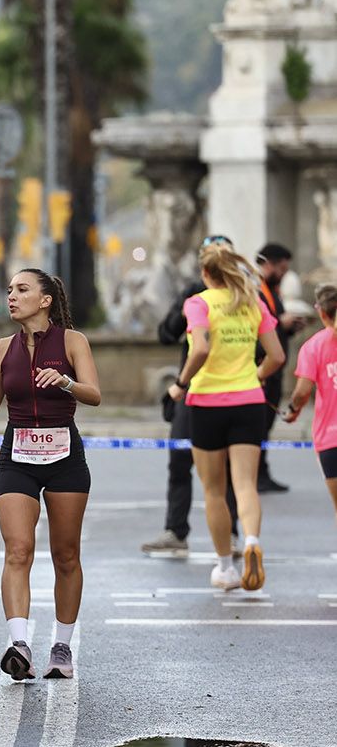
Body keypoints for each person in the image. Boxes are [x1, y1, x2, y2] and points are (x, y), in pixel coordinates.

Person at [0, 270, 101, 681]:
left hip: (64, 456)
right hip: (17, 456)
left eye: (22, 290)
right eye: (10, 290)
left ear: (45, 299)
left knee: (66, 555)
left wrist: (67, 382)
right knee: (18, 550)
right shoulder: (2, 348)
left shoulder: (72, 342)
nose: (12, 297)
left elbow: (94, 394)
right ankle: (19, 644)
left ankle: (62, 646)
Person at [168, 245, 285, 592]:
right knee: (245, 484)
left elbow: (201, 349)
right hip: (249, 401)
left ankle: (225, 568)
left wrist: (180, 383)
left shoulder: (199, 303)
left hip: (207, 402)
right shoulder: (253, 302)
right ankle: (251, 540)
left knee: (214, 490)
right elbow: (277, 356)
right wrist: (256, 376)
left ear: (205, 274)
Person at [146, 235, 241, 557]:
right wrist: (188, 306)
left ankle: (231, 534)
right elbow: (166, 333)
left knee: (227, 467)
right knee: (180, 458)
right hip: (198, 389)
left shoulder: (244, 296)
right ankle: (176, 531)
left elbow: (261, 347)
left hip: (224, 389)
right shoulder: (195, 295)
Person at [283, 285, 337, 530]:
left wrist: (293, 410)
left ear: (321, 312)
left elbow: (302, 391)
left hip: (331, 437)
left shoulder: (313, 346)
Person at [254, 243, 303, 492]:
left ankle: (262, 472)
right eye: (281, 269)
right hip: (261, 370)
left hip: (274, 371)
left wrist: (290, 328)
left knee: (266, 425)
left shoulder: (273, 292)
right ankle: (255, 475)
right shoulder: (255, 290)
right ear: (268, 264)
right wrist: (279, 323)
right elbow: (258, 329)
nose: (284, 275)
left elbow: (275, 330)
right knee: (258, 425)